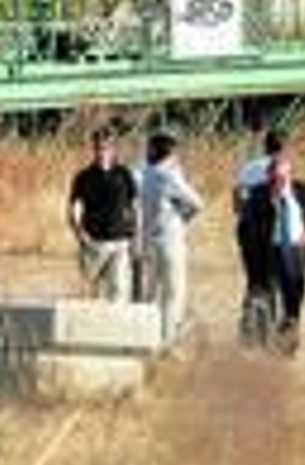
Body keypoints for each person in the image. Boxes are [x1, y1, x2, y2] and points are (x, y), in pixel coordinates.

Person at [241, 156, 305, 357]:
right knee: (268, 298)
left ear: (289, 176)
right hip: (269, 254)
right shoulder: (257, 196)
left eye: (281, 179)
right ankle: (265, 342)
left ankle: (289, 346)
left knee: (293, 303)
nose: (277, 183)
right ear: (267, 177)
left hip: (295, 252)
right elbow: (245, 229)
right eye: (273, 179)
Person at [139, 131, 204, 347]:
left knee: (151, 295)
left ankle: (146, 340)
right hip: (170, 241)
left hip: (148, 241)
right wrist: (182, 217)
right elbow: (197, 203)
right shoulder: (169, 175)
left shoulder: (145, 172)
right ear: (167, 152)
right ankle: (167, 343)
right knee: (173, 296)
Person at [66, 128, 137, 303]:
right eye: (98, 147)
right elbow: (73, 208)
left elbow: (134, 206)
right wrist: (80, 234)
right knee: (91, 295)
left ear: (113, 149)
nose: (101, 152)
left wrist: (134, 234)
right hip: (93, 243)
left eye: (105, 147)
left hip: (119, 241)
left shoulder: (124, 174)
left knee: (118, 291)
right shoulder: (83, 177)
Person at [234, 128, 287, 345]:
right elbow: (283, 203)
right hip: (272, 233)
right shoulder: (282, 168)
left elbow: (236, 204)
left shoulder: (248, 167)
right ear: (283, 147)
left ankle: (247, 327)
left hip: (247, 230)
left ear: (264, 145)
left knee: (253, 280)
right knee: (273, 281)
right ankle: (269, 330)